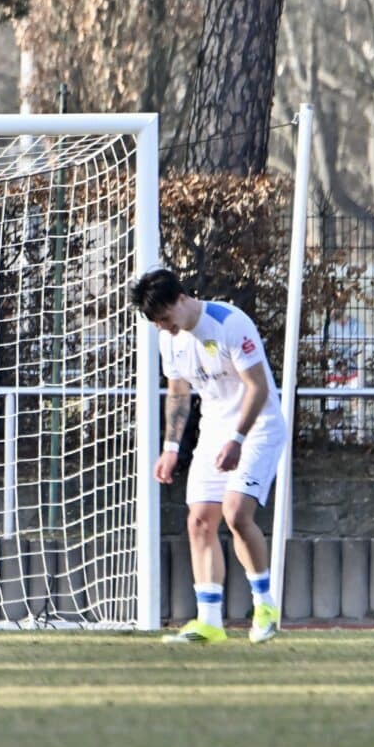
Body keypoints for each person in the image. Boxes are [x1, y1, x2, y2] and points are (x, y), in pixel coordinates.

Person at [134, 267, 286, 645]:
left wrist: (237, 438)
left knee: (236, 513)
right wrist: (171, 448)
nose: (164, 328)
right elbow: (179, 392)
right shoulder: (169, 339)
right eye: (156, 323)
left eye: (165, 319)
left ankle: (265, 605)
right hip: (215, 428)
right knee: (200, 520)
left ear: (181, 299)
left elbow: (258, 387)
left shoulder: (230, 323)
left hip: (258, 426)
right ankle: (209, 622)